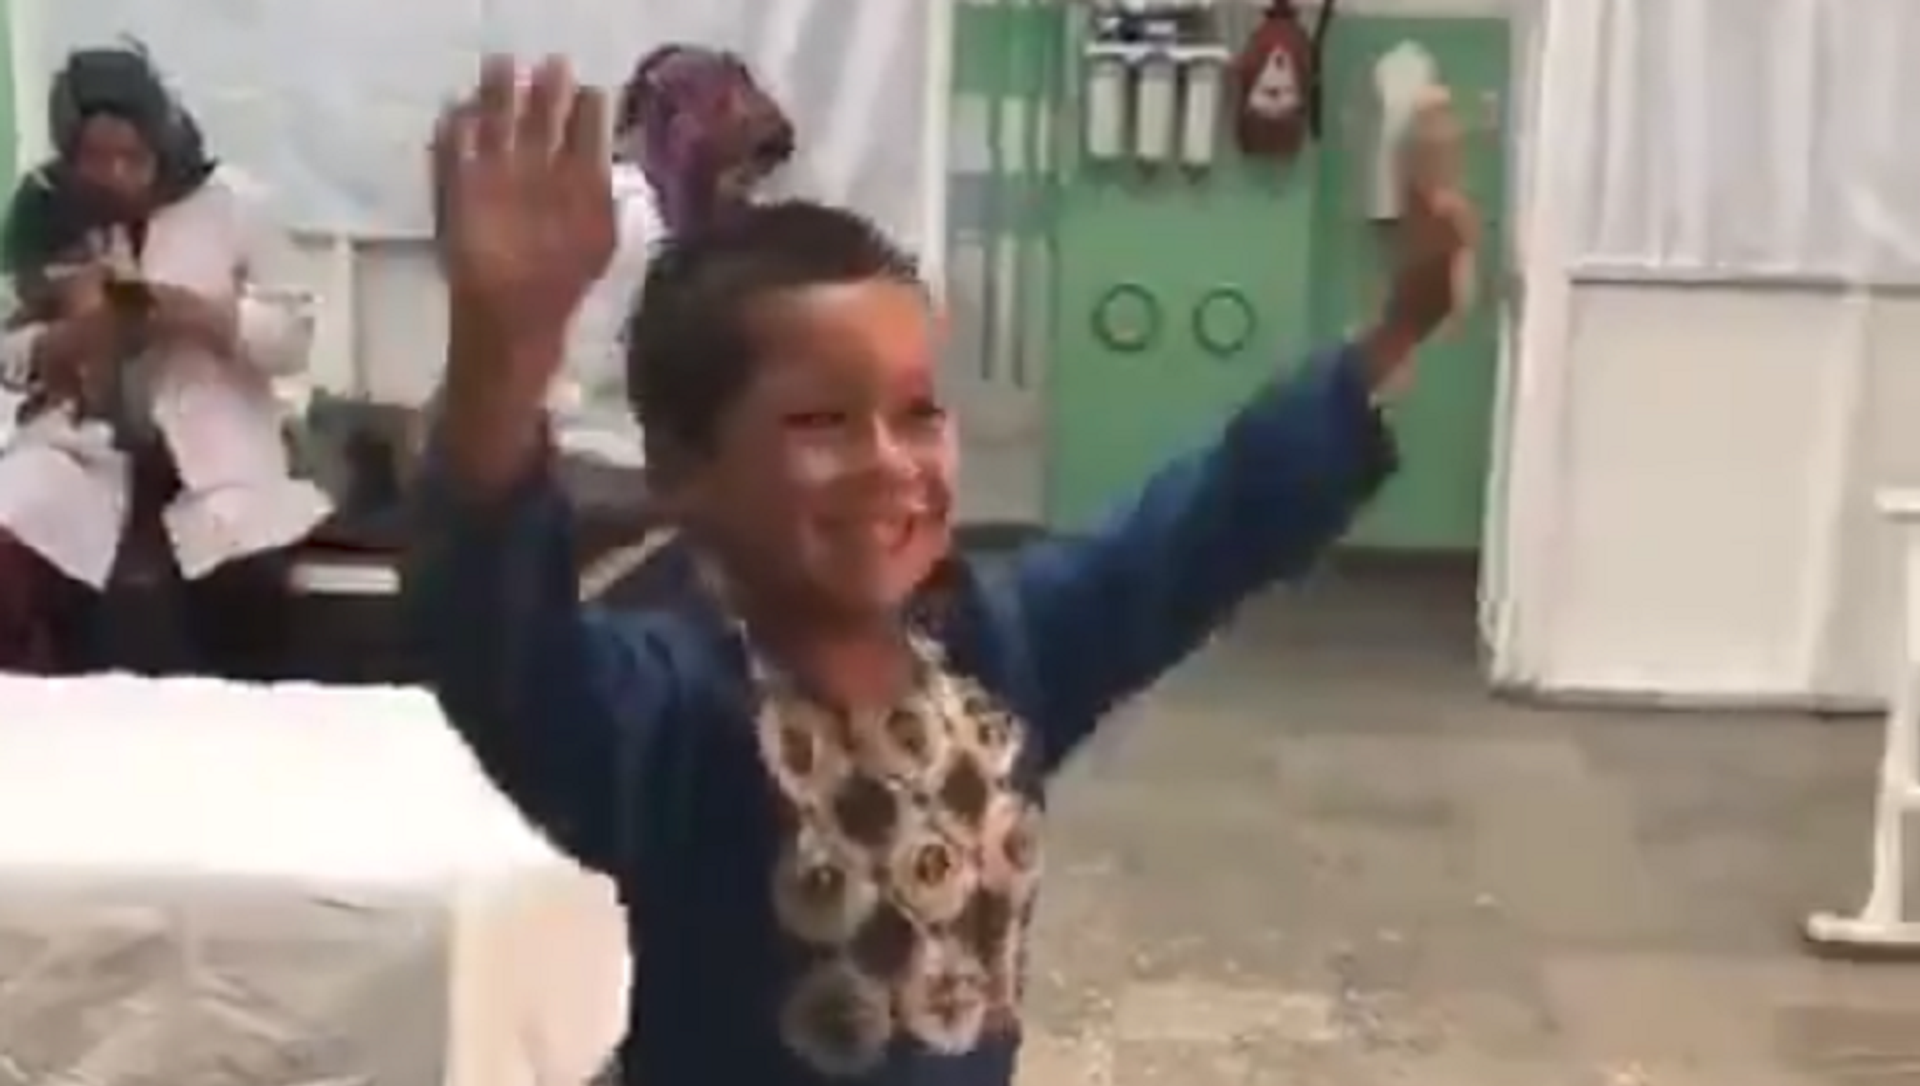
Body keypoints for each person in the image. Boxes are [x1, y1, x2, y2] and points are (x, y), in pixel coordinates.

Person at [405, 56, 1472, 1086]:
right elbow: (506, 648)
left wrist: (1399, 329)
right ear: (684, 469)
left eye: (919, 413)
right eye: (822, 422)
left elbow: (1200, 530)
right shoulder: (673, 711)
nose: (889, 463)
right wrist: (502, 359)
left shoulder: (994, 657)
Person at [0, 45, 330, 676]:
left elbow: (293, 338)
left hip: (213, 459)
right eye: (97, 158)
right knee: (26, 540)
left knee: (240, 593)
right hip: (84, 453)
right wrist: (69, 339)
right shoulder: (44, 212)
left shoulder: (233, 203)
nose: (117, 174)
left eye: (132, 156)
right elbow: (10, 347)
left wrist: (201, 316)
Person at [555, 42, 794, 466]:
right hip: (594, 442)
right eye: (736, 173)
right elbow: (593, 359)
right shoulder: (629, 211)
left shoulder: (696, 218)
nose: (745, 192)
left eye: (753, 178)